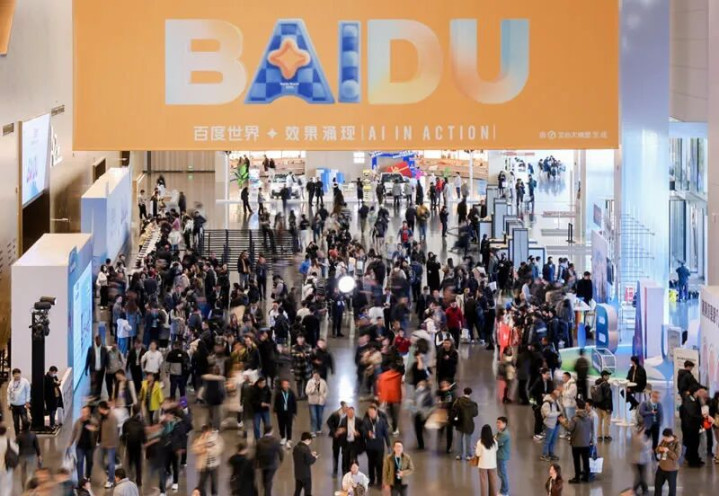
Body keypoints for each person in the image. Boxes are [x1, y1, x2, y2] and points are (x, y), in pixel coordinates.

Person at [558, 398, 593, 483]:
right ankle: (586, 477)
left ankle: (577, 477)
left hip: (576, 443)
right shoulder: (589, 418)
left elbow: (569, 428)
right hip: (586, 443)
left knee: (576, 461)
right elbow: (591, 429)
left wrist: (563, 422)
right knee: (586, 460)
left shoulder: (575, 419)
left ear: (577, 407)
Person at [362, 404, 390, 487]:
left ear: (376, 412)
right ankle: (372, 480)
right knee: (371, 463)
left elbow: (386, 434)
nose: (371, 414)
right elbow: (362, 431)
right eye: (369, 412)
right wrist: (367, 434)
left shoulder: (382, 421)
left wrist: (388, 445)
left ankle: (379, 481)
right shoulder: (366, 421)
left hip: (379, 446)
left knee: (379, 463)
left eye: (372, 412)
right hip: (370, 446)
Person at [192, 424, 224, 496]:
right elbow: (195, 449)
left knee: (214, 482)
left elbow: (219, 449)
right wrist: (203, 448)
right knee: (202, 483)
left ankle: (214, 494)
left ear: (210, 431)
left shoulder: (216, 438)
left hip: (214, 464)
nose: (206, 434)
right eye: (204, 432)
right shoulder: (200, 439)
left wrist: (208, 450)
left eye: (207, 432)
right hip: (203, 465)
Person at [70, 405, 98, 483]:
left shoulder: (93, 421)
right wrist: (70, 442)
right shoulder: (78, 422)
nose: (84, 413)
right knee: (80, 462)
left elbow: (98, 430)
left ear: (88, 412)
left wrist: (94, 429)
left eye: (85, 412)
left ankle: (88, 477)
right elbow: (74, 432)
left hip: (90, 446)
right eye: (82, 412)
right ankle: (80, 481)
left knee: (90, 462)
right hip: (80, 446)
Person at [452, 387, 479, 460]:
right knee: (468, 440)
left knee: (459, 440)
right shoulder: (473, 403)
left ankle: (459, 454)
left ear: (464, 392)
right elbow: (475, 414)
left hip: (459, 422)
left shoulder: (458, 401)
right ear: (470, 393)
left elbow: (453, 410)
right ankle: (468, 455)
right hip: (469, 423)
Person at [256, 425, 284, 496]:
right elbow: (280, 452)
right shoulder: (275, 441)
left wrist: (256, 462)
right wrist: (281, 460)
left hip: (262, 463)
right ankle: (267, 494)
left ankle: (265, 491)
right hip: (272, 464)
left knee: (264, 479)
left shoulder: (259, 441)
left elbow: (257, 453)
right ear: (271, 431)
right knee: (268, 480)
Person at [97, 401, 119, 488]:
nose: (98, 410)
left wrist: (110, 444)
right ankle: (110, 473)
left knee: (110, 462)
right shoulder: (102, 417)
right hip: (103, 443)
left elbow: (114, 433)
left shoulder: (112, 418)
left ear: (102, 409)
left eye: (99, 408)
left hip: (110, 444)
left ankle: (110, 480)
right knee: (101, 461)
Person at [654, 428, 680, 496]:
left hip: (672, 470)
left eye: (666, 437)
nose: (664, 439)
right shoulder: (664, 441)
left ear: (670, 436)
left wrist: (668, 451)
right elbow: (656, 450)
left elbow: (676, 457)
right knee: (657, 485)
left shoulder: (677, 444)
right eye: (664, 437)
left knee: (672, 488)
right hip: (661, 467)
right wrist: (659, 449)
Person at [337, 406, 362, 474]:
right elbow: (339, 429)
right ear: (347, 413)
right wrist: (340, 431)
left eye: (352, 413)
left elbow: (362, 430)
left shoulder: (358, 420)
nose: (351, 414)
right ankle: (345, 474)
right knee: (345, 458)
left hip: (354, 443)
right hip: (346, 443)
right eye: (349, 413)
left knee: (353, 459)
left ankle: (353, 473)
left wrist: (358, 433)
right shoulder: (343, 420)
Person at [274, 379, 298, 449]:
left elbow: (294, 403)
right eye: (284, 384)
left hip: (289, 412)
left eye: (287, 384)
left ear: (289, 385)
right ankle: (283, 437)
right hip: (281, 412)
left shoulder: (291, 393)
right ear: (282, 385)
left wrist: (294, 412)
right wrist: (275, 411)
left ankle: (289, 439)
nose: (285, 385)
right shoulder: (279, 393)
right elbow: (276, 402)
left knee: (289, 426)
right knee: (281, 425)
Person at [292, 432, 318, 496]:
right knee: (307, 492)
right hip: (306, 475)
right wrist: (315, 457)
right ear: (307, 440)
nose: (310, 443)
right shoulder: (306, 449)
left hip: (298, 473)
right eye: (310, 441)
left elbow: (301, 457)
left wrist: (310, 454)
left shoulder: (296, 447)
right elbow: (309, 461)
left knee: (297, 490)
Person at [540, 389, 563, 461]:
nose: (558, 397)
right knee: (547, 440)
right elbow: (548, 414)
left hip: (556, 423)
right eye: (557, 396)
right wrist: (558, 413)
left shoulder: (556, 401)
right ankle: (544, 455)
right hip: (549, 424)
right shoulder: (547, 403)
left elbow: (560, 409)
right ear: (553, 395)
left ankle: (551, 453)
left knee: (553, 440)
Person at [6, 368, 31, 435]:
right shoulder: (11, 383)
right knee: (16, 422)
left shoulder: (25, 381)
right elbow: (8, 393)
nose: (17, 376)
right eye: (15, 375)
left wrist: (27, 401)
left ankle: (25, 434)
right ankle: (17, 436)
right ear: (13, 375)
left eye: (18, 374)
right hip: (14, 405)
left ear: (20, 374)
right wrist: (8, 403)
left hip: (22, 405)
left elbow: (28, 392)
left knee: (24, 421)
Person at [630, 424, 652, 495]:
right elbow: (644, 446)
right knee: (641, 476)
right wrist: (649, 443)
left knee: (640, 475)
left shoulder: (635, 436)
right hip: (641, 460)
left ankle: (644, 489)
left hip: (636, 459)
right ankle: (637, 489)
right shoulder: (639, 438)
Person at [327, 402, 348, 476]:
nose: (347, 409)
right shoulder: (335, 414)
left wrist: (344, 430)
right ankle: (335, 470)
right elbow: (329, 422)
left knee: (344, 453)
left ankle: (344, 470)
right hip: (336, 436)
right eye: (345, 407)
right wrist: (334, 431)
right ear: (342, 407)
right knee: (335, 453)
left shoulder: (347, 415)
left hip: (344, 437)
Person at [592, 370, 613, 441]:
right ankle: (606, 436)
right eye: (607, 375)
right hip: (605, 407)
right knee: (606, 422)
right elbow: (608, 398)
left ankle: (599, 436)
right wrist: (608, 408)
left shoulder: (597, 383)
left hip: (598, 406)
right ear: (604, 376)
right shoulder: (606, 385)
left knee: (599, 421)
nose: (609, 376)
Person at [305, 371, 328, 436]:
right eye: (315, 375)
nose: (316, 376)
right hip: (312, 402)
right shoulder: (310, 382)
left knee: (320, 416)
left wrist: (324, 397)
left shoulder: (323, 382)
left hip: (320, 402)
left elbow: (326, 391)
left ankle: (318, 428)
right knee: (314, 417)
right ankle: (313, 430)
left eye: (317, 375)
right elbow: (307, 391)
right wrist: (314, 387)